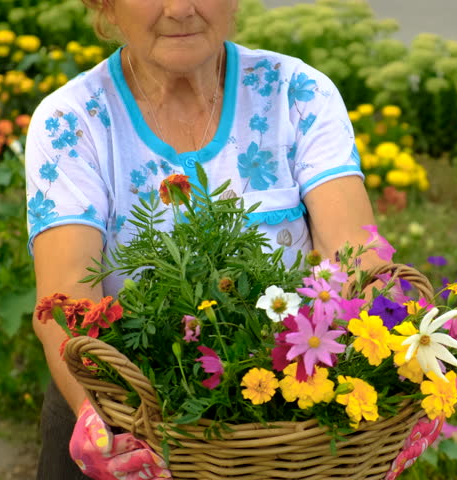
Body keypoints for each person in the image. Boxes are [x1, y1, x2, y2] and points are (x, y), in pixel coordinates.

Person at [26, 0, 388, 478]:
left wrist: (392, 378)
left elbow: (359, 258)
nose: (180, 9)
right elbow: (67, 303)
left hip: (285, 427)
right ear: (106, 5)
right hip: (123, 422)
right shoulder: (72, 121)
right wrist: (104, 419)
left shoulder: (296, 93)